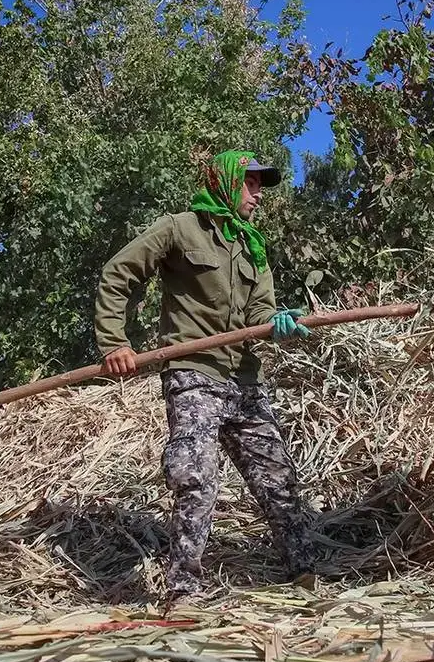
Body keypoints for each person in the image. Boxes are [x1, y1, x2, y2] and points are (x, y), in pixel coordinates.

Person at [93, 149, 316, 604]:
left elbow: (260, 311)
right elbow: (118, 274)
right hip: (194, 375)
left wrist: (278, 324)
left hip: (245, 380)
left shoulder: (254, 247)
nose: (257, 194)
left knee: (278, 479)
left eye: (259, 186)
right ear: (226, 181)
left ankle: (306, 573)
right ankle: (184, 591)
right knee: (195, 479)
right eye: (250, 183)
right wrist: (114, 342)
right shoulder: (180, 228)